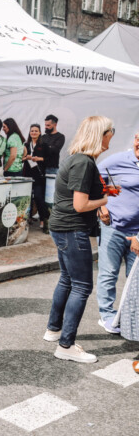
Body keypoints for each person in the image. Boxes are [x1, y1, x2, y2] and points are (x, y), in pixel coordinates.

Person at [44, 115, 117, 364]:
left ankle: (54, 330)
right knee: (82, 286)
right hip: (72, 229)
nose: (112, 137)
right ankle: (66, 345)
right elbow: (80, 205)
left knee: (67, 279)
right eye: (110, 132)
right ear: (101, 134)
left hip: (62, 227)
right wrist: (105, 201)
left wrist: (101, 195)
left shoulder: (77, 159)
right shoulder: (84, 162)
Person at [96, 130, 139, 333]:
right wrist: (101, 206)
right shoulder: (119, 160)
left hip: (137, 233)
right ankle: (106, 315)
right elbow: (94, 178)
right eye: (138, 138)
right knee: (109, 273)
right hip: (113, 228)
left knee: (134, 278)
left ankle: (129, 316)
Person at [22, 124, 51, 233]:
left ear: (40, 133)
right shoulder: (26, 144)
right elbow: (21, 158)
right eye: (32, 131)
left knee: (39, 197)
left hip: (39, 176)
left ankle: (43, 219)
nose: (33, 132)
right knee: (27, 198)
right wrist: (26, 158)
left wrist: (38, 158)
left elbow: (49, 160)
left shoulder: (44, 145)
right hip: (27, 175)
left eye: (36, 131)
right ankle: (27, 218)